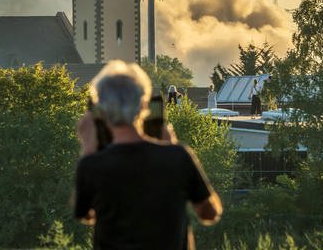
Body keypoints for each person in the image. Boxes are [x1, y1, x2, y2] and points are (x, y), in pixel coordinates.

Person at [74, 61, 222, 249]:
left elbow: (86, 214)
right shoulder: (177, 157)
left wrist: (88, 148)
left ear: (101, 112)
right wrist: (171, 148)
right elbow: (209, 214)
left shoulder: (92, 166)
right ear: (144, 105)